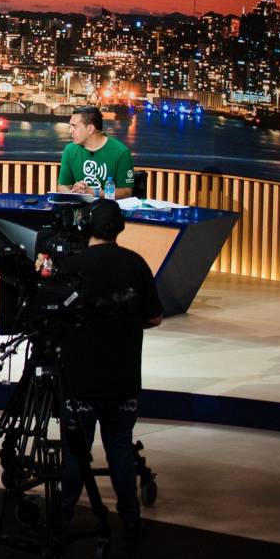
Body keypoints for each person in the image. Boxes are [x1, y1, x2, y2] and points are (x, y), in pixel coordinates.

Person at [57, 199, 163, 539]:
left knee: (76, 452)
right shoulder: (136, 264)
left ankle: (62, 520)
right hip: (123, 379)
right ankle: (130, 520)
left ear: (87, 227)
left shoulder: (72, 265)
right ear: (120, 228)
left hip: (79, 382)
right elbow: (154, 317)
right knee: (119, 448)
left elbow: (55, 314)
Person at [56, 105, 135, 199]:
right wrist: (75, 194)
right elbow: (62, 186)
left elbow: (126, 192)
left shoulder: (121, 152)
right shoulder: (70, 150)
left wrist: (93, 192)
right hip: (78, 210)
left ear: (90, 129)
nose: (70, 131)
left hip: (108, 210)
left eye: (74, 126)